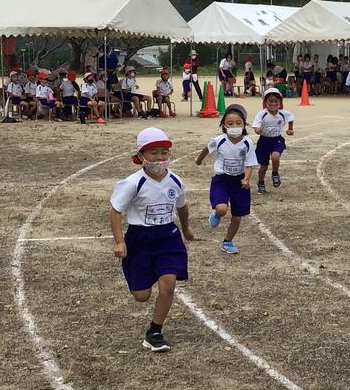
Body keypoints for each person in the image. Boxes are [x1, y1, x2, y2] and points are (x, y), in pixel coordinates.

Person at [109, 127, 195, 352]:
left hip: (168, 237)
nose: (159, 158)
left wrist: (186, 228)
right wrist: (120, 241)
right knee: (142, 295)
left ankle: (155, 332)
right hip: (140, 239)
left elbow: (182, 206)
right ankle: (147, 273)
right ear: (141, 156)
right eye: (153, 153)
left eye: (163, 153)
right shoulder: (133, 183)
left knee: (168, 284)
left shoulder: (175, 180)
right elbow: (115, 211)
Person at [195, 104, 258, 255]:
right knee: (222, 209)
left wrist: (246, 179)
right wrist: (198, 160)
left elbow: (249, 164)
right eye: (230, 123)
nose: (234, 126)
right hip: (221, 180)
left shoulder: (247, 142)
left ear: (244, 125)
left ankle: (228, 241)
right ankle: (217, 213)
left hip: (239, 181)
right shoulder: (219, 140)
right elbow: (207, 148)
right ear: (224, 125)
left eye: (238, 123)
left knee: (237, 216)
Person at [252, 89, 294, 193]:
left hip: (277, 139)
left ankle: (275, 173)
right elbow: (256, 127)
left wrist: (290, 129)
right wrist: (258, 130)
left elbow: (290, 117)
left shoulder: (283, 113)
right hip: (264, 141)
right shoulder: (262, 114)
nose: (273, 104)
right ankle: (261, 182)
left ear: (280, 102)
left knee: (275, 156)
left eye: (276, 101)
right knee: (263, 167)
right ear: (265, 102)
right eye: (270, 101)